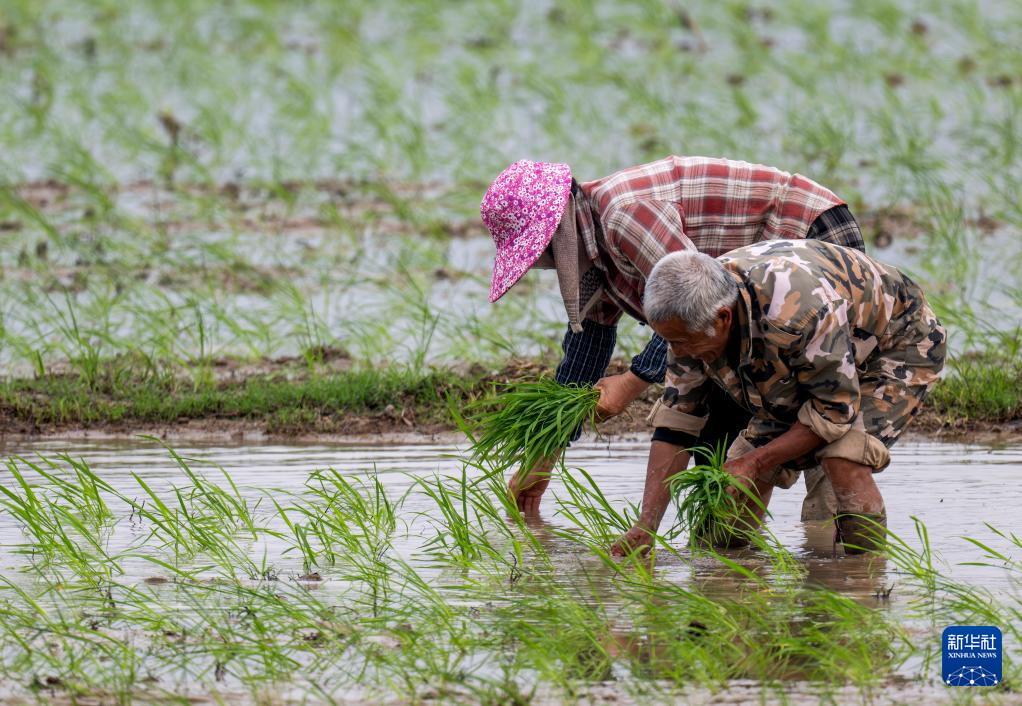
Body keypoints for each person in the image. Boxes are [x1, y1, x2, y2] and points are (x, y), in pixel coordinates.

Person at [480, 156, 866, 518]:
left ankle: (835, 537)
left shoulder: (623, 215)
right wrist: (543, 455)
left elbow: (689, 303)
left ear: (557, 232)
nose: (545, 265)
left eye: (541, 255)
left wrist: (632, 382)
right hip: (738, 293)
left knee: (819, 400)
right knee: (722, 411)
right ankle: (732, 544)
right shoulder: (592, 256)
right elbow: (587, 348)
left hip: (809, 237)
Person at [612, 239, 945, 555]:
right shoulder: (691, 319)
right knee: (732, 487)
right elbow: (677, 423)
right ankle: (729, 578)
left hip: (896, 341)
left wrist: (756, 462)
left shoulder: (797, 315)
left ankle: (863, 575)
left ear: (723, 318)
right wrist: (645, 528)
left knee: (844, 454)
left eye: (683, 341)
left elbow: (834, 412)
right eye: (669, 341)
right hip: (814, 352)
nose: (677, 351)